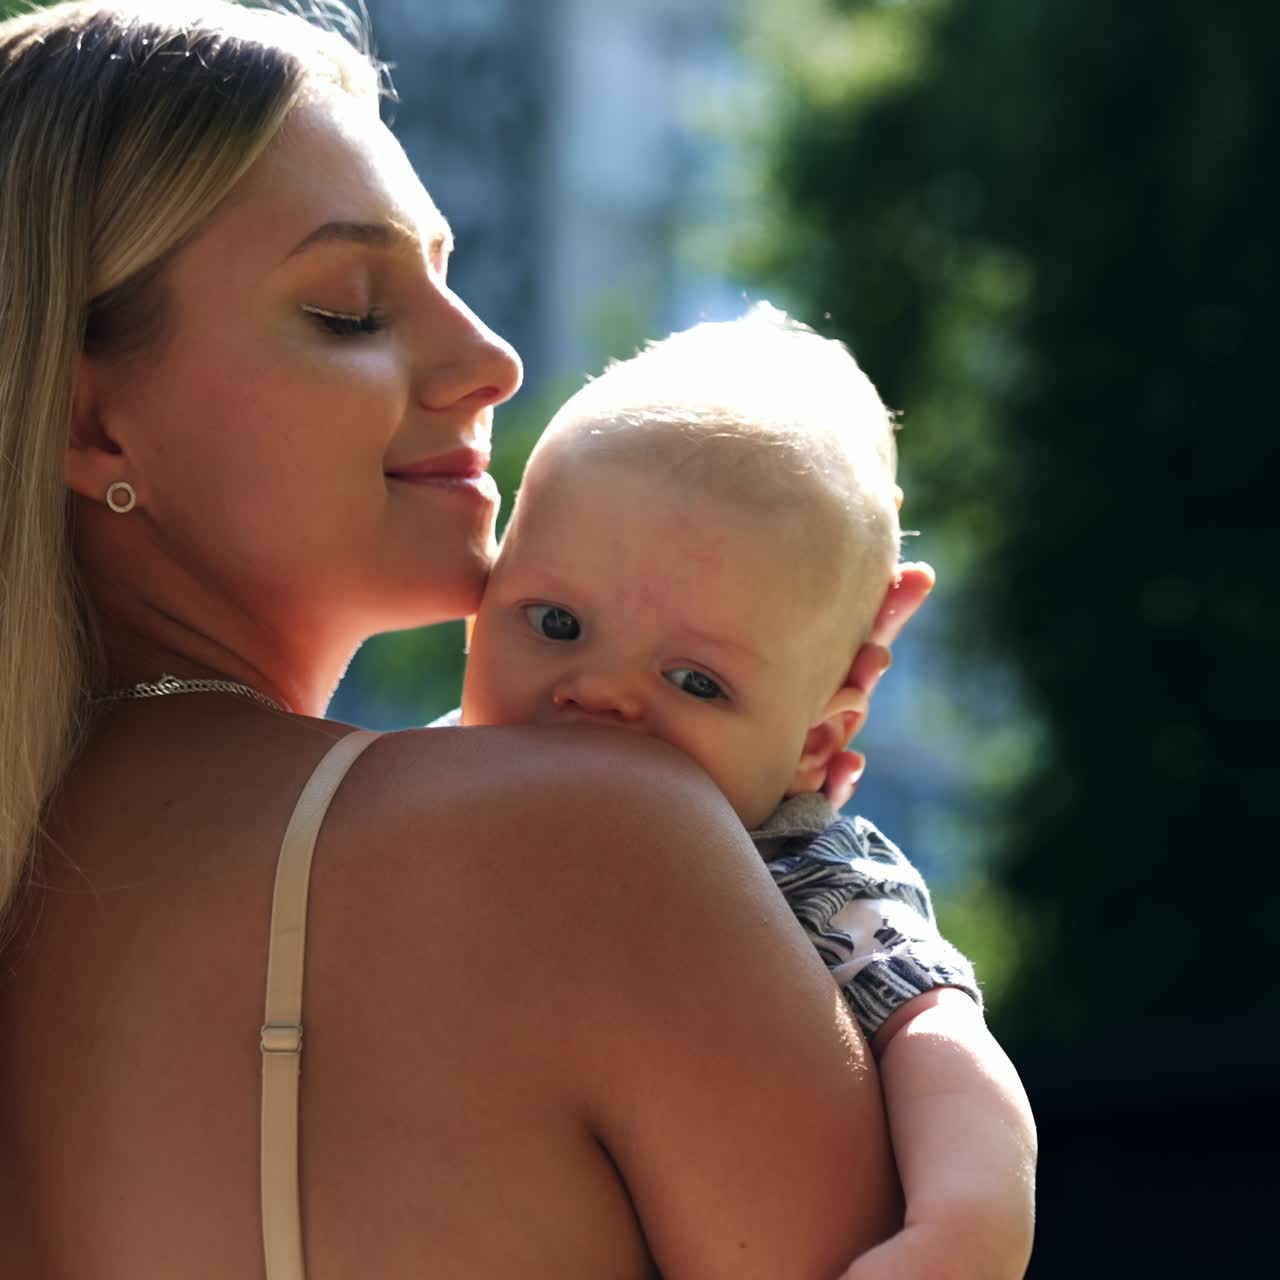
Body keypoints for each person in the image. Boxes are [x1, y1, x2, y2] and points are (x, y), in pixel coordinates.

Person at [0, 3, 938, 1277]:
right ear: (93, 426)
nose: (491, 360)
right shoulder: (591, 834)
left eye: (450, 274)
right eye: (349, 309)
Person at [457, 304, 1038, 1278]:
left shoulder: (796, 863)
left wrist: (968, 1226)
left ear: (812, 745)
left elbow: (935, 1027)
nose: (599, 693)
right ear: (474, 615)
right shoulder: (420, 783)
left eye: (695, 681)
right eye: (555, 622)